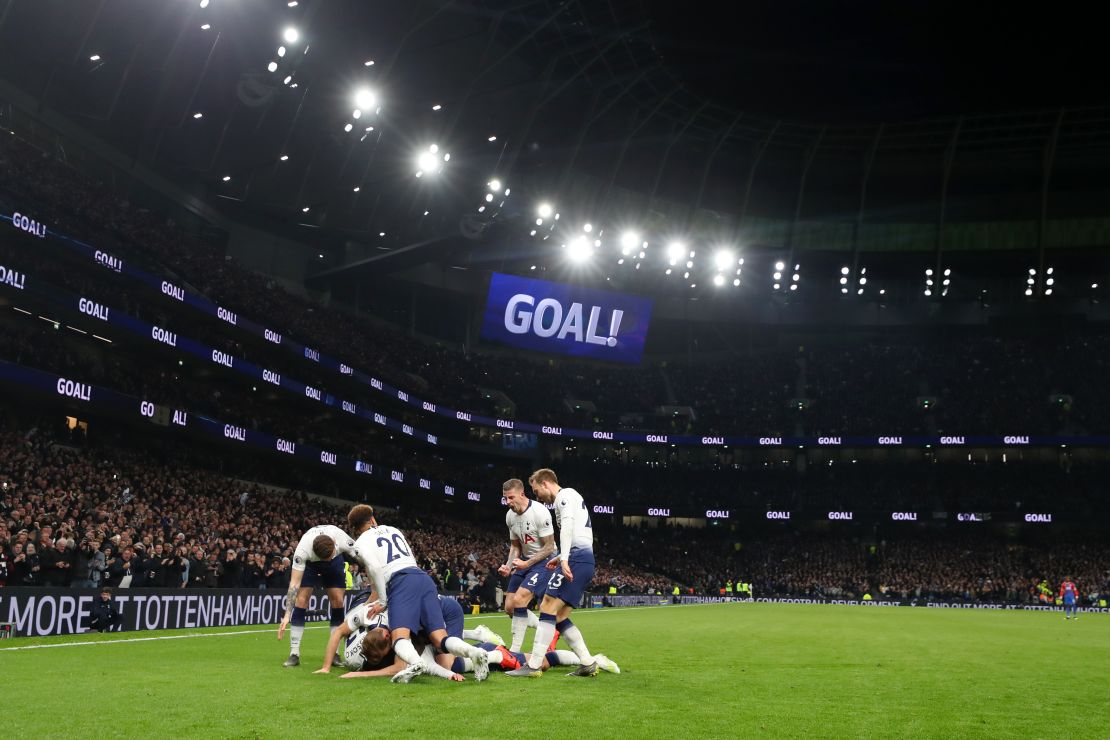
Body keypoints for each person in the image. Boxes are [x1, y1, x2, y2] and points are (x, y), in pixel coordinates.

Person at [345, 504, 489, 683]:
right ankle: (474, 652)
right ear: (372, 518)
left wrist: (383, 600)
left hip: (400, 582)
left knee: (399, 638)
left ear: (356, 529)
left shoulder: (361, 543)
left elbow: (374, 569)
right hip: (421, 577)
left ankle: (415, 663)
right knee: (440, 639)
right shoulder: (393, 530)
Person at [508, 468, 607, 678]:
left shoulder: (563, 496)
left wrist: (564, 559)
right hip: (583, 559)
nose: (537, 496)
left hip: (576, 558)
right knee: (560, 616)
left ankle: (533, 666)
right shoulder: (571, 496)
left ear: (545, 483)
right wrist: (559, 556)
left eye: (536, 491)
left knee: (546, 605)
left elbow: (569, 526)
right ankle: (588, 662)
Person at [276, 524, 360, 667]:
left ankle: (335, 653)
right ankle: (294, 653)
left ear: (334, 544)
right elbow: (294, 584)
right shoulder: (303, 550)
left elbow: (362, 556)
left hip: (336, 562)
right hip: (311, 565)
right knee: (301, 601)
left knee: (338, 601)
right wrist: (287, 614)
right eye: (325, 559)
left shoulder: (340, 538)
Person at [497, 478, 556, 653]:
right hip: (525, 561)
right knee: (509, 608)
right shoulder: (510, 516)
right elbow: (515, 546)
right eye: (505, 498)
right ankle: (547, 632)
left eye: (511, 497)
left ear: (522, 494)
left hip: (545, 560)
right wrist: (508, 566)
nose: (507, 502)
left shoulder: (540, 512)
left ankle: (514, 651)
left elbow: (549, 546)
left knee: (520, 599)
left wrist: (526, 563)